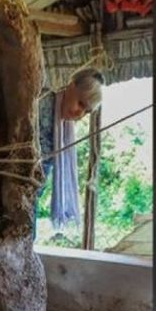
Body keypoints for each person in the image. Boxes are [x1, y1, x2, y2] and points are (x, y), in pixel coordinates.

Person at [35, 67, 105, 236]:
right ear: (71, 86)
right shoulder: (40, 101)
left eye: (86, 111)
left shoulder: (64, 131)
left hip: (30, 195)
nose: (79, 113)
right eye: (81, 103)